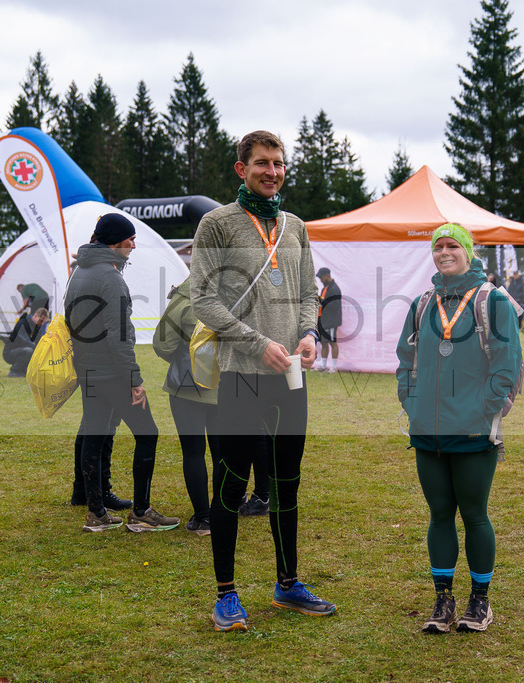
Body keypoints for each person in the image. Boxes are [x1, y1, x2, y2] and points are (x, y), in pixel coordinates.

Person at [190, 130, 334, 632]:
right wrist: (257, 343)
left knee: (285, 483)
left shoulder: (296, 226)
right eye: (262, 163)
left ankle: (287, 583)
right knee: (230, 484)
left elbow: (307, 293)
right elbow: (203, 300)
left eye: (278, 163)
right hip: (240, 377)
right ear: (242, 168)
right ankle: (226, 594)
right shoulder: (217, 224)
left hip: (289, 379)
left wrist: (309, 333)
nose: (272, 172)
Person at [396, 223, 521, 634]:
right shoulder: (423, 303)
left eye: (453, 245)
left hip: (472, 430)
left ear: (468, 251)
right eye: (438, 246)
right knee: (439, 515)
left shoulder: (492, 300)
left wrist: (484, 410)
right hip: (427, 429)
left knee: (474, 514)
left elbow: (507, 365)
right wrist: (411, 401)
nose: (445, 252)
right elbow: (405, 359)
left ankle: (480, 601)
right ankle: (443, 599)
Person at [65, 213, 177, 534]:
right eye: (130, 239)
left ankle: (97, 513)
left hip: (88, 370)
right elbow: (120, 337)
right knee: (147, 433)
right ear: (115, 240)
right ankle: (141, 512)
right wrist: (134, 381)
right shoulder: (111, 278)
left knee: (94, 435)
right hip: (112, 373)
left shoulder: (78, 272)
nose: (133, 245)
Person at [153, 277, 218, 536]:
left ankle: (204, 517)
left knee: (193, 453)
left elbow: (162, 343)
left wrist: (188, 358)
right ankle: (225, 510)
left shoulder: (186, 295)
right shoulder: (241, 289)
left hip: (188, 387)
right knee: (225, 453)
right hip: (228, 386)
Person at [1, 307, 48, 376]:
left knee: (35, 351)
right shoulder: (23, 323)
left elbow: (39, 341)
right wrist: (36, 349)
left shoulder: (37, 326)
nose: (42, 324)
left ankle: (24, 371)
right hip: (9, 352)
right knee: (29, 351)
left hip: (22, 350)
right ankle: (14, 371)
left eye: (44, 322)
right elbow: (24, 341)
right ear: (35, 316)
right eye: (41, 321)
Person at [314, 267, 342, 373]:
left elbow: (334, 305)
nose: (320, 280)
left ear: (327, 275)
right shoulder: (325, 288)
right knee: (323, 343)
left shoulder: (334, 289)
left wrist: (321, 300)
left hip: (331, 321)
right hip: (324, 320)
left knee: (332, 342)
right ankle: (323, 365)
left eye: (321, 277)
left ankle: (333, 367)